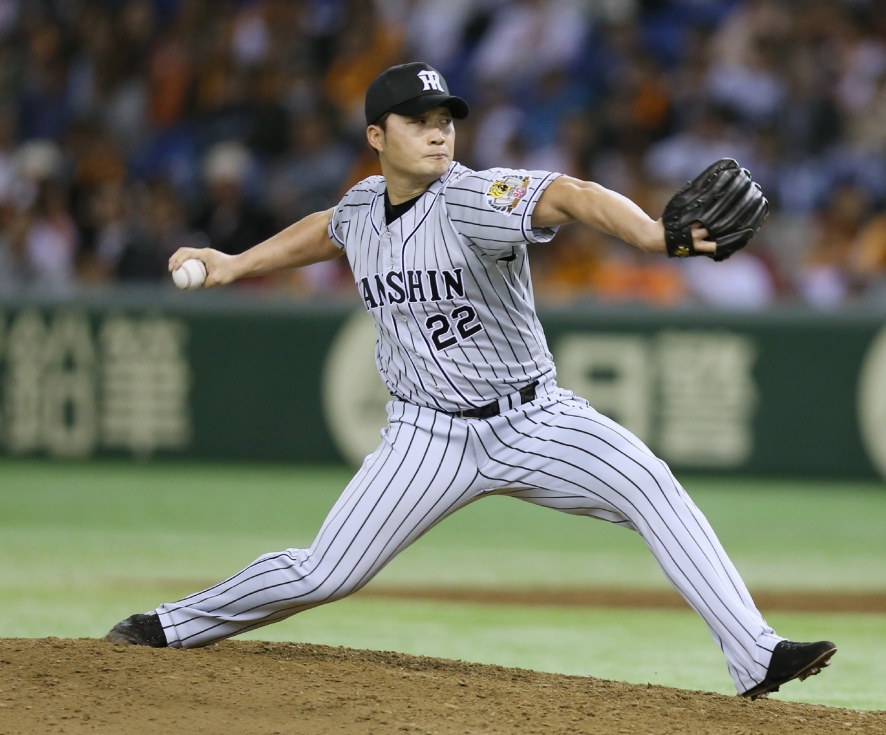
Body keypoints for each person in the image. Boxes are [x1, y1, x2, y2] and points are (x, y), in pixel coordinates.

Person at [106, 62, 835, 700]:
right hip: (425, 435)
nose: (437, 132)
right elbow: (327, 228)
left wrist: (649, 233)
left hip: (533, 418)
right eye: (417, 121)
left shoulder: (472, 199)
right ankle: (167, 626)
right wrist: (234, 263)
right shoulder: (364, 205)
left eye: (445, 120)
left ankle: (757, 653)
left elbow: (572, 194)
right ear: (375, 136)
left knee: (648, 483)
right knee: (324, 572)